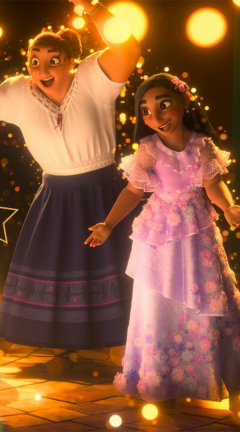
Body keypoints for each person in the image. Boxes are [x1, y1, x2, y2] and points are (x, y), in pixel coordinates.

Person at [0, 0, 141, 373]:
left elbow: (129, 50)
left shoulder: (94, 78)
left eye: (53, 60)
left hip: (103, 190)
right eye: (34, 61)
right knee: (60, 262)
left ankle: (120, 347)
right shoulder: (19, 94)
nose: (43, 69)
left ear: (70, 61)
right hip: (56, 196)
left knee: (112, 264)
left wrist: (94, 10)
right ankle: (64, 345)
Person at [86, 74, 240, 415]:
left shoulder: (202, 146)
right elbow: (132, 191)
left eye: (164, 105)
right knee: (157, 301)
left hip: (197, 232)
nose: (155, 116)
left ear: (185, 102)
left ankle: (226, 380)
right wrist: (108, 224)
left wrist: (228, 207)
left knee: (209, 295)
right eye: (146, 110)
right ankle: (160, 379)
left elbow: (213, 185)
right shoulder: (149, 150)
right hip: (158, 235)